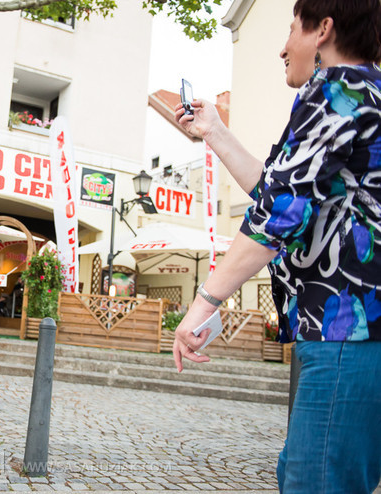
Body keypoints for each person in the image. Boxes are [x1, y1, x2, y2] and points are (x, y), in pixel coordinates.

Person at [172, 1, 381, 492]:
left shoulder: (337, 91)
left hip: (344, 337)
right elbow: (282, 190)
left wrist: (205, 302)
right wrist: (215, 133)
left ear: (323, 30)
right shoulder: (369, 93)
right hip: (358, 339)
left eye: (292, 29)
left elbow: (281, 213)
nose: (283, 47)